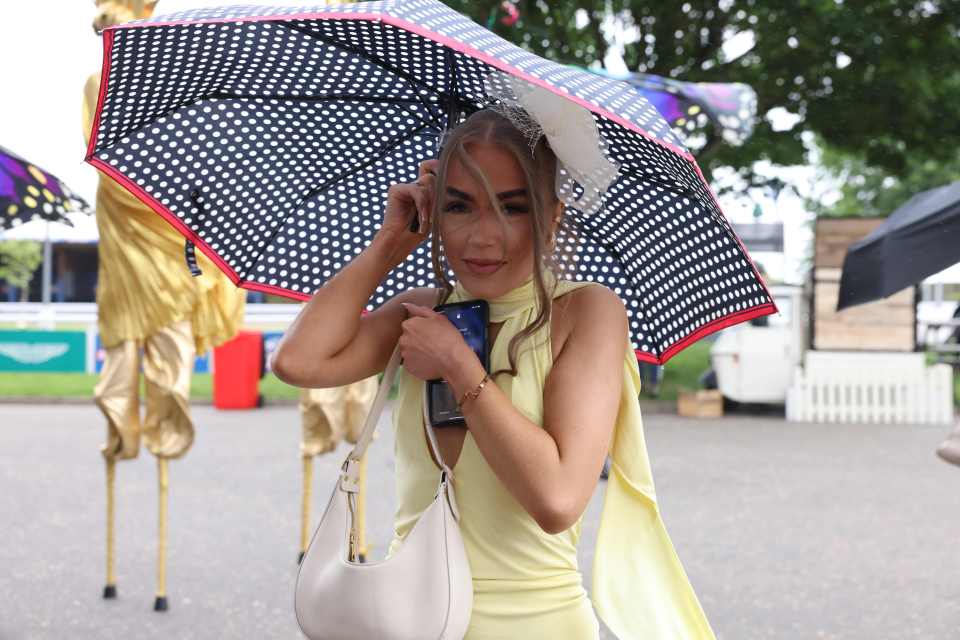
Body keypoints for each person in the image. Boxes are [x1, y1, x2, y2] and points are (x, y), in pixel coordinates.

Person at [273, 107, 713, 638]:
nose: (484, 236)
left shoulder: (587, 313)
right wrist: (390, 244)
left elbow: (557, 500)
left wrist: (459, 367)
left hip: (535, 623)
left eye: (513, 207)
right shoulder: (421, 312)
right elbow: (298, 362)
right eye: (460, 207)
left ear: (552, 217)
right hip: (413, 616)